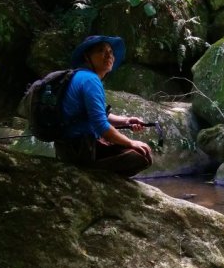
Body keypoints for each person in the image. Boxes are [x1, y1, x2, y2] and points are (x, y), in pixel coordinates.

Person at [54, 34, 154, 177]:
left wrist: (126, 120)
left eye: (110, 52)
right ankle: (90, 175)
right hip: (80, 152)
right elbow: (101, 126)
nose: (109, 55)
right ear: (87, 57)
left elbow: (99, 115)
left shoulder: (81, 76)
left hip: (70, 149)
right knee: (142, 156)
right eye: (101, 51)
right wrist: (130, 142)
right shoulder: (90, 80)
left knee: (139, 152)